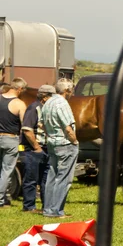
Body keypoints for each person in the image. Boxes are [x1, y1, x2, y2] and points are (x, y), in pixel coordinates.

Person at [41, 78, 79, 218]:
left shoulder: (48, 102)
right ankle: (56, 210)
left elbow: (41, 124)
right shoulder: (62, 103)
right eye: (71, 90)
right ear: (67, 90)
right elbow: (68, 127)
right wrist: (74, 141)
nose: (72, 93)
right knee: (64, 178)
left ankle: (47, 209)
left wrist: (50, 136)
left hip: (52, 143)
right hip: (65, 144)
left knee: (52, 176)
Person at [20, 85, 56, 213]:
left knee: (45, 180)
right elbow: (27, 130)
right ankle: (29, 207)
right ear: (45, 97)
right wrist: (37, 148)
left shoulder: (47, 108)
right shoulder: (33, 108)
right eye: (52, 96)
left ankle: (46, 206)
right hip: (33, 150)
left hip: (46, 149)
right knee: (31, 179)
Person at [0, 78, 27, 208]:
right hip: (10, 139)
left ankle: (3, 197)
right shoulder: (19, 104)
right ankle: (0, 199)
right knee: (7, 170)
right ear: (20, 89)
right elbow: (25, 125)